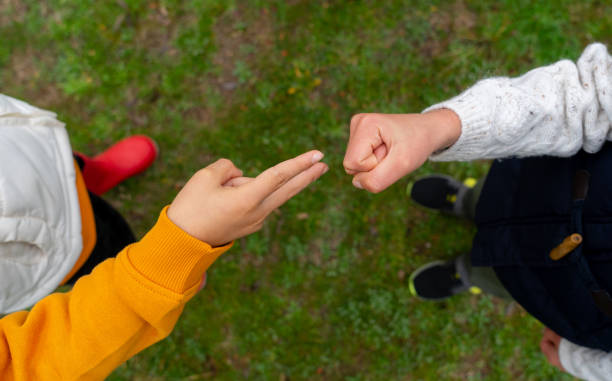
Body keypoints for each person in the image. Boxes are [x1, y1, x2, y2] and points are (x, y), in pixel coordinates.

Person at [0, 93, 329, 379]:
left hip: (22, 153)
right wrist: (166, 261)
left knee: (60, 169)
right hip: (45, 242)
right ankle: (85, 199)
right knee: (105, 241)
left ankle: (88, 175)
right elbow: (31, 365)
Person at [343, 43, 612, 380]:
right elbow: (583, 101)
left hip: (571, 291)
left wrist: (576, 360)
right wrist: (435, 129)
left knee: (511, 277)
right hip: (550, 183)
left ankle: (469, 274)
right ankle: (466, 200)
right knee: (497, 196)